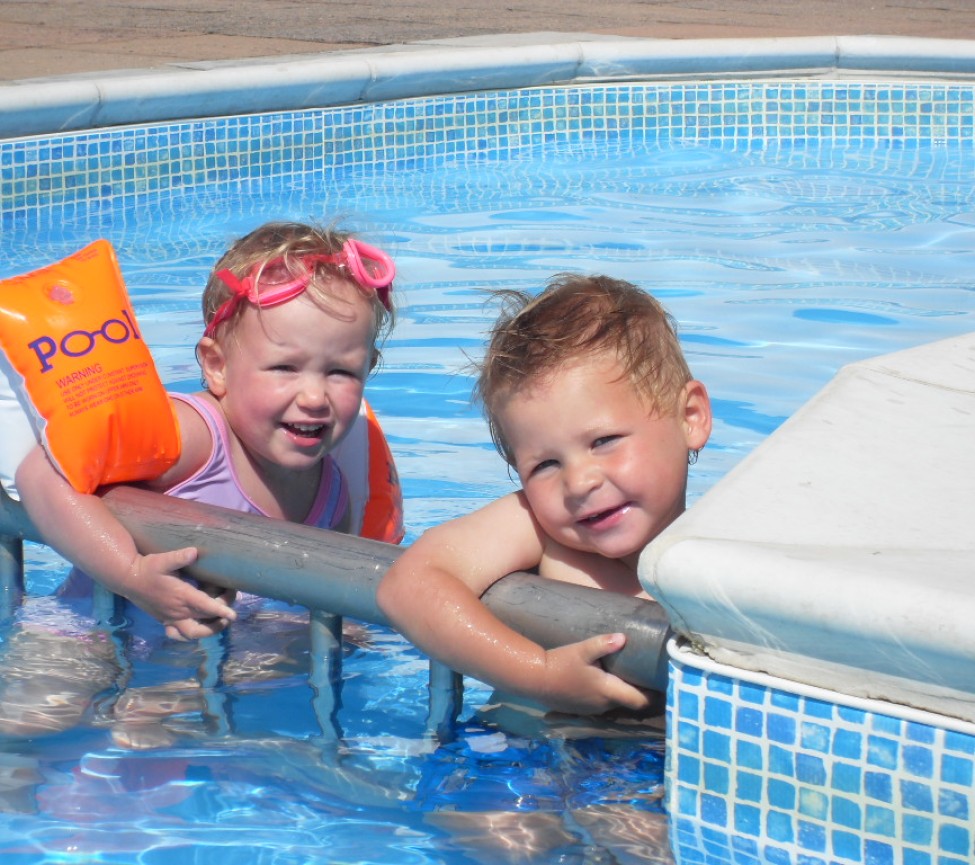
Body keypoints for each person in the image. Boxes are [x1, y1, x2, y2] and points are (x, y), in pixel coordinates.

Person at [15, 220, 397, 642]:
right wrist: (130, 573)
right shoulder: (193, 438)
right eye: (284, 368)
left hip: (175, 679)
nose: (313, 397)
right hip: (78, 641)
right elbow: (40, 476)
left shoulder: (333, 498)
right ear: (217, 367)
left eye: (341, 372)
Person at [377, 274, 711, 717]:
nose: (579, 482)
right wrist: (541, 673)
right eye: (545, 465)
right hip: (532, 765)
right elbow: (408, 585)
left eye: (604, 441)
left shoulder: (727, 542)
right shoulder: (538, 528)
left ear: (689, 418)